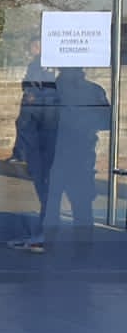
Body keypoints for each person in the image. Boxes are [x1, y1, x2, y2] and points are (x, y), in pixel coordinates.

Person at [48, 67, 111, 242]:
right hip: (81, 152)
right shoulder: (93, 90)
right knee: (81, 204)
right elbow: (106, 121)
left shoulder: (50, 91)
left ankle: (49, 240)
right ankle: (83, 244)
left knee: (51, 202)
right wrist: (85, 122)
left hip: (56, 153)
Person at [8, 37, 58, 253]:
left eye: (34, 46)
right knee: (46, 188)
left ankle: (42, 236)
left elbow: (29, 121)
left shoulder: (42, 71)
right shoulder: (39, 67)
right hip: (41, 144)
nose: (32, 49)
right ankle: (41, 233)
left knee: (47, 188)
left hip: (43, 146)